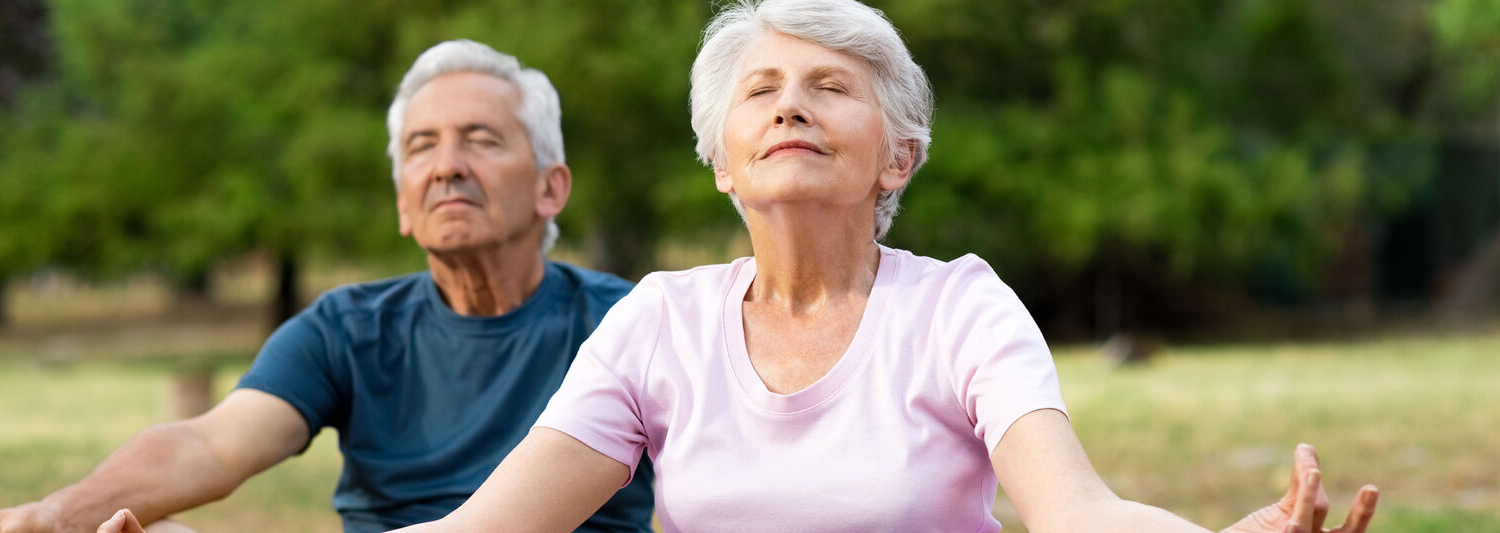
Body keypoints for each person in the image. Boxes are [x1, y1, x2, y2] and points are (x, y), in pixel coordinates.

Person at [376, 1, 1377, 531]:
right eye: (761, 87)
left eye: (831, 86)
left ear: (898, 155)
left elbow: (1075, 511)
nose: (790, 103)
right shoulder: (657, 321)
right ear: (723, 158)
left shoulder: (960, 308)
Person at [0, 39, 654, 533]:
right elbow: (213, 444)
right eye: (421, 146)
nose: (447, 166)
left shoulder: (634, 322)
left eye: (481, 139)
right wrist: (56, 516)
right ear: (403, 204)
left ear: (550, 187)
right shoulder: (347, 328)